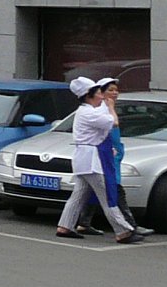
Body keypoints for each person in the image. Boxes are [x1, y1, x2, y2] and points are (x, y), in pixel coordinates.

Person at [57, 77, 141, 244]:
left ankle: (65, 226)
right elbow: (113, 122)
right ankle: (123, 231)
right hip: (90, 160)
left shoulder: (88, 111)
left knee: (79, 194)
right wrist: (111, 107)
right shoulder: (88, 113)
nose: (102, 95)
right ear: (89, 95)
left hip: (85, 158)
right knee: (107, 195)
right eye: (98, 92)